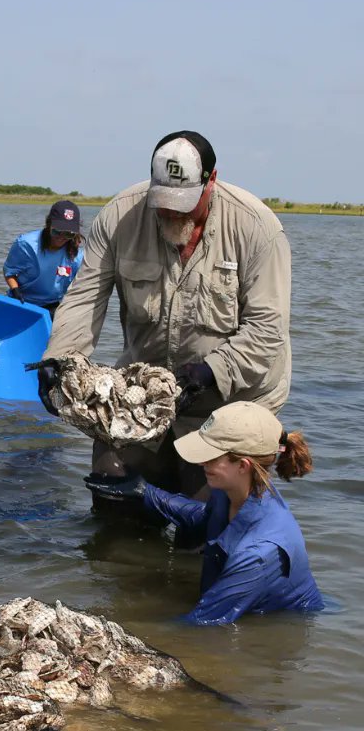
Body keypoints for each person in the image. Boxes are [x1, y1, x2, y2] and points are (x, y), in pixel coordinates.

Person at [39, 131, 291, 498]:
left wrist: (211, 371)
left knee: (211, 527)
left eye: (184, 201)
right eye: (163, 201)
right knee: (113, 492)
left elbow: (267, 330)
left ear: (211, 181)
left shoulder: (257, 228)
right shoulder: (120, 215)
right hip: (144, 396)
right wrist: (59, 360)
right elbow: (84, 299)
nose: (172, 211)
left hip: (231, 401)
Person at [85, 403, 323, 625]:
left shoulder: (259, 553)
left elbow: (204, 623)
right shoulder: (231, 492)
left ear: (243, 466)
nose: (201, 462)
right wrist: (145, 491)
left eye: (211, 456)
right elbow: (203, 518)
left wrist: (121, 626)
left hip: (278, 627)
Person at [2, 199, 84, 316]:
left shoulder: (78, 256)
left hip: (53, 306)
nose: (61, 237)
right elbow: (9, 272)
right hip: (22, 302)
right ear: (48, 224)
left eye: (68, 234)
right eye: (57, 231)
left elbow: (78, 288)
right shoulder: (26, 244)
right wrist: (16, 291)